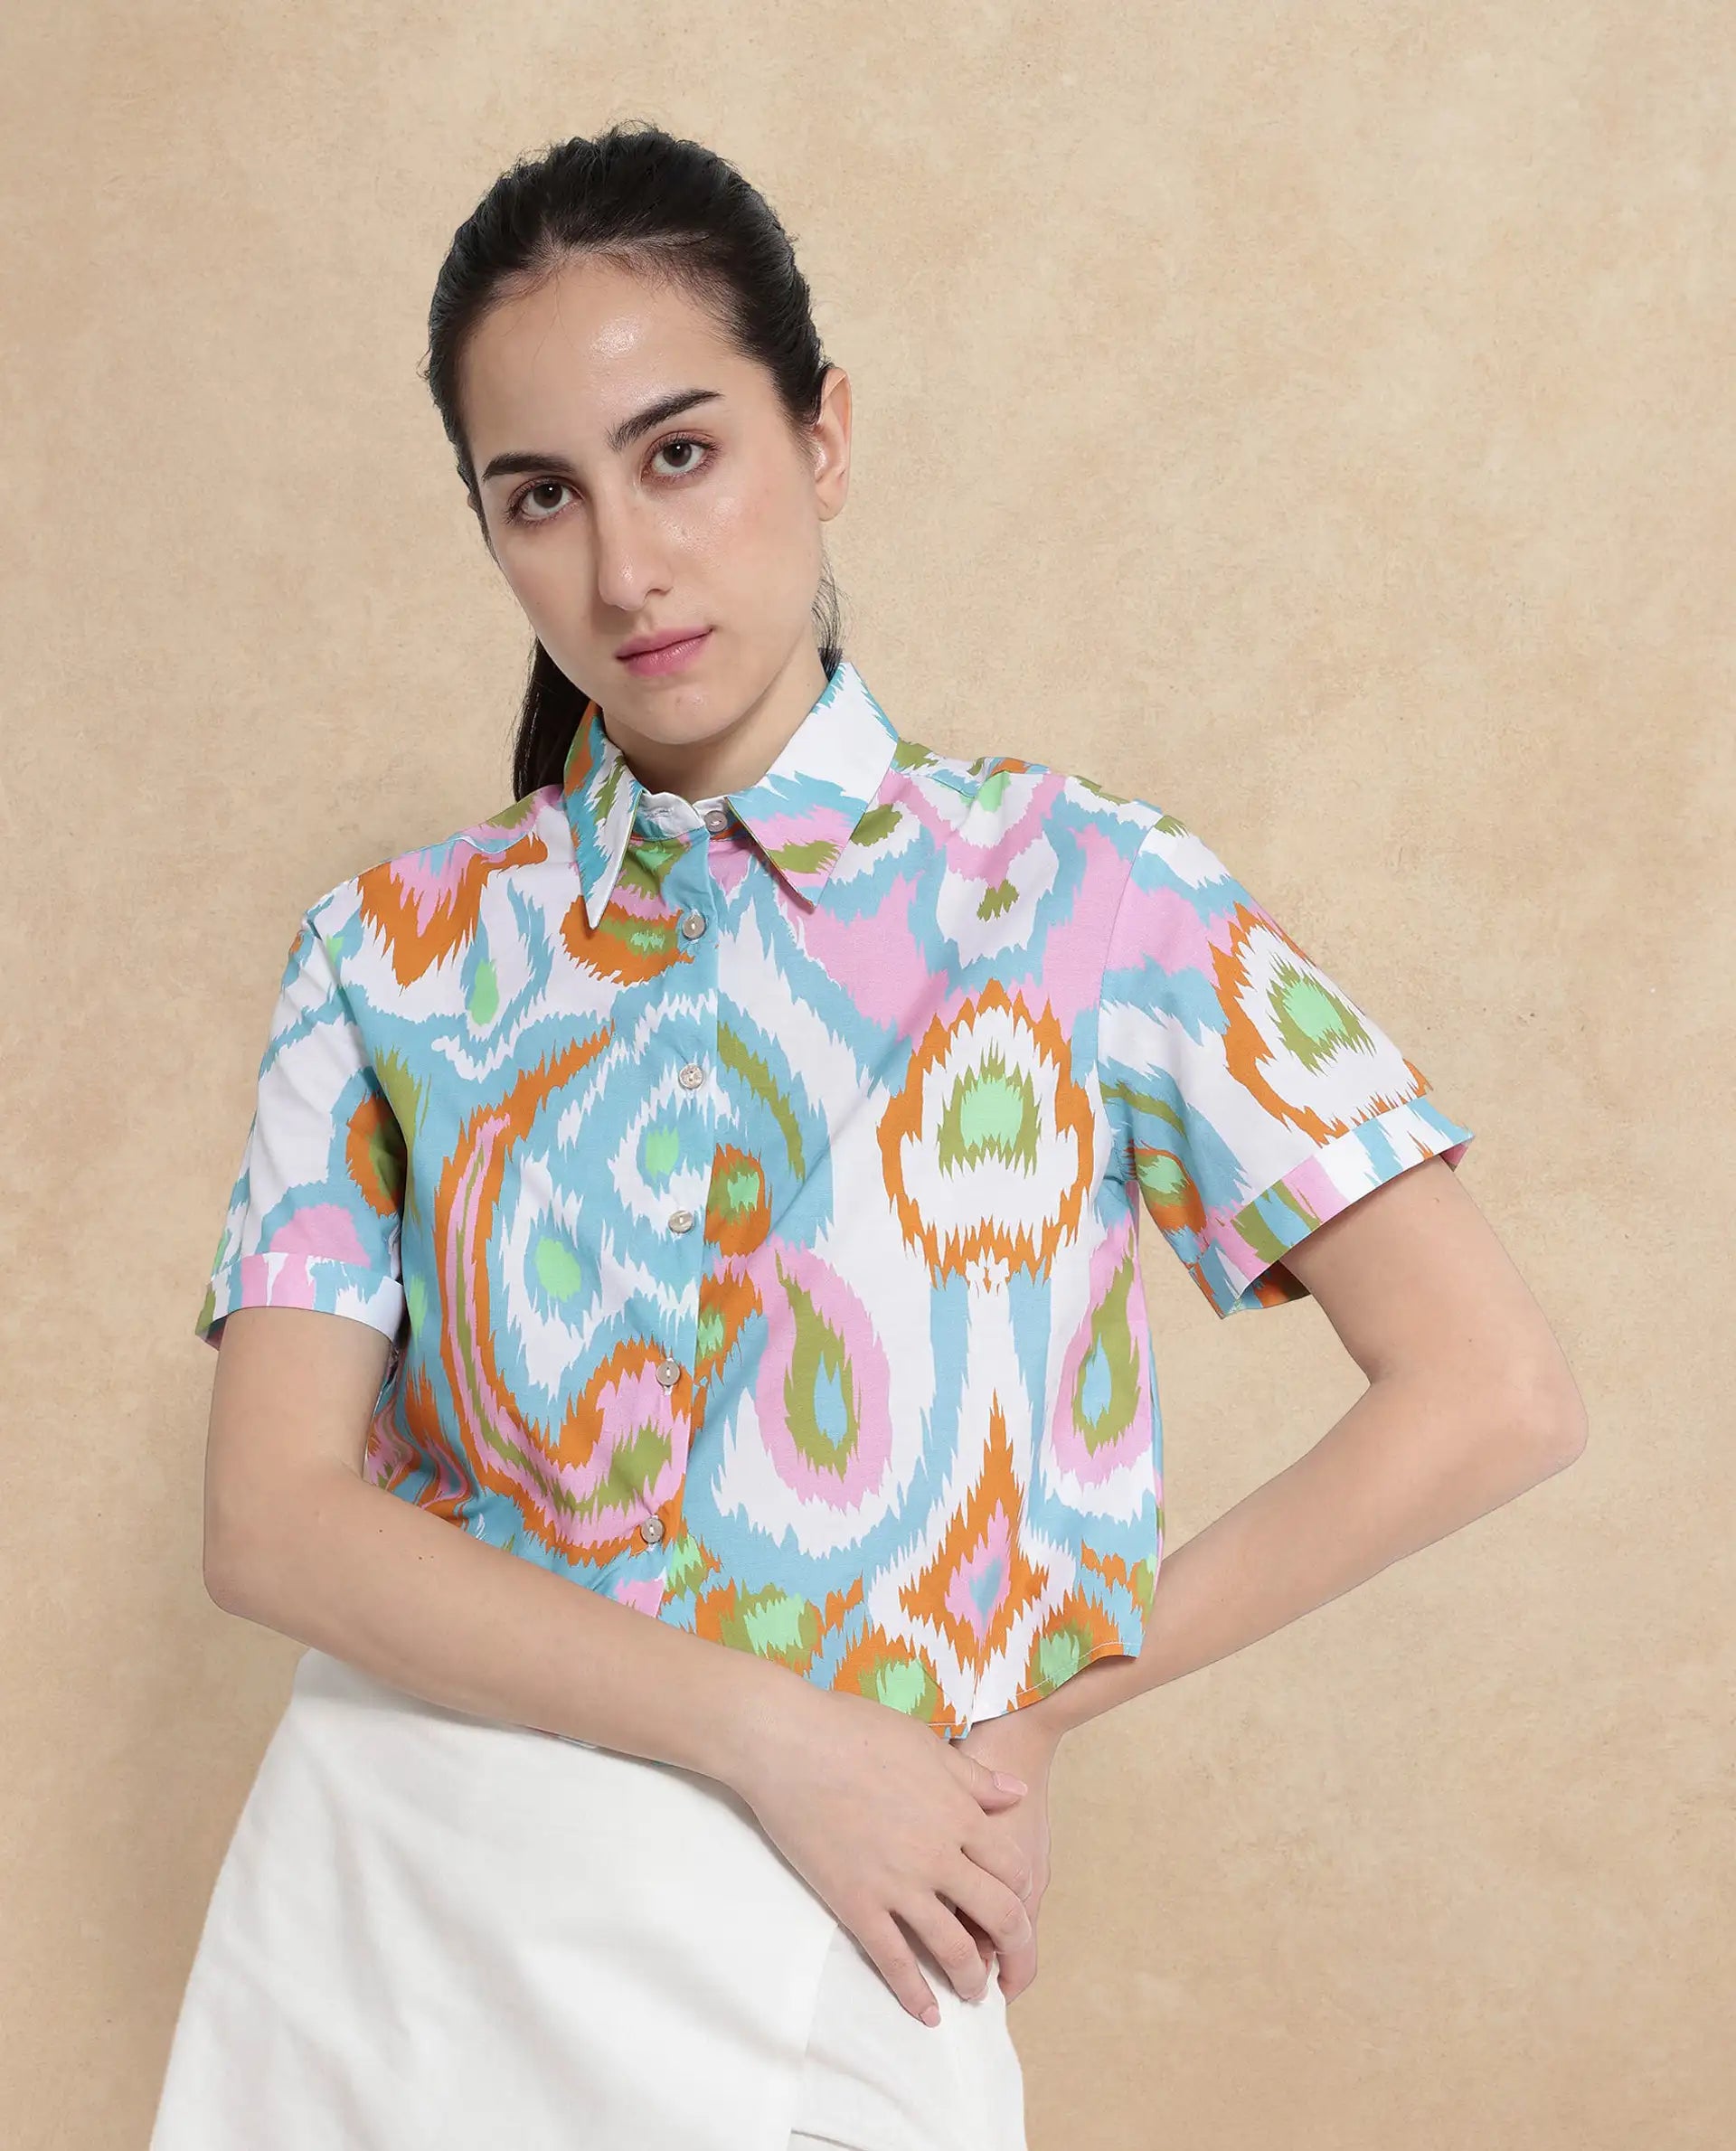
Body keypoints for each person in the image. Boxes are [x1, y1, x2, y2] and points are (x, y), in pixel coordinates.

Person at [147, 119, 1587, 2151]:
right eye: (539, 495)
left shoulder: (1087, 893)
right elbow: (272, 1520)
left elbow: (1493, 1389)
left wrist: (1020, 1717)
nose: (624, 568)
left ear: (822, 436)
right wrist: (777, 1734)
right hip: (400, 1915)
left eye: (680, 452)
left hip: (845, 1914)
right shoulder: (390, 954)